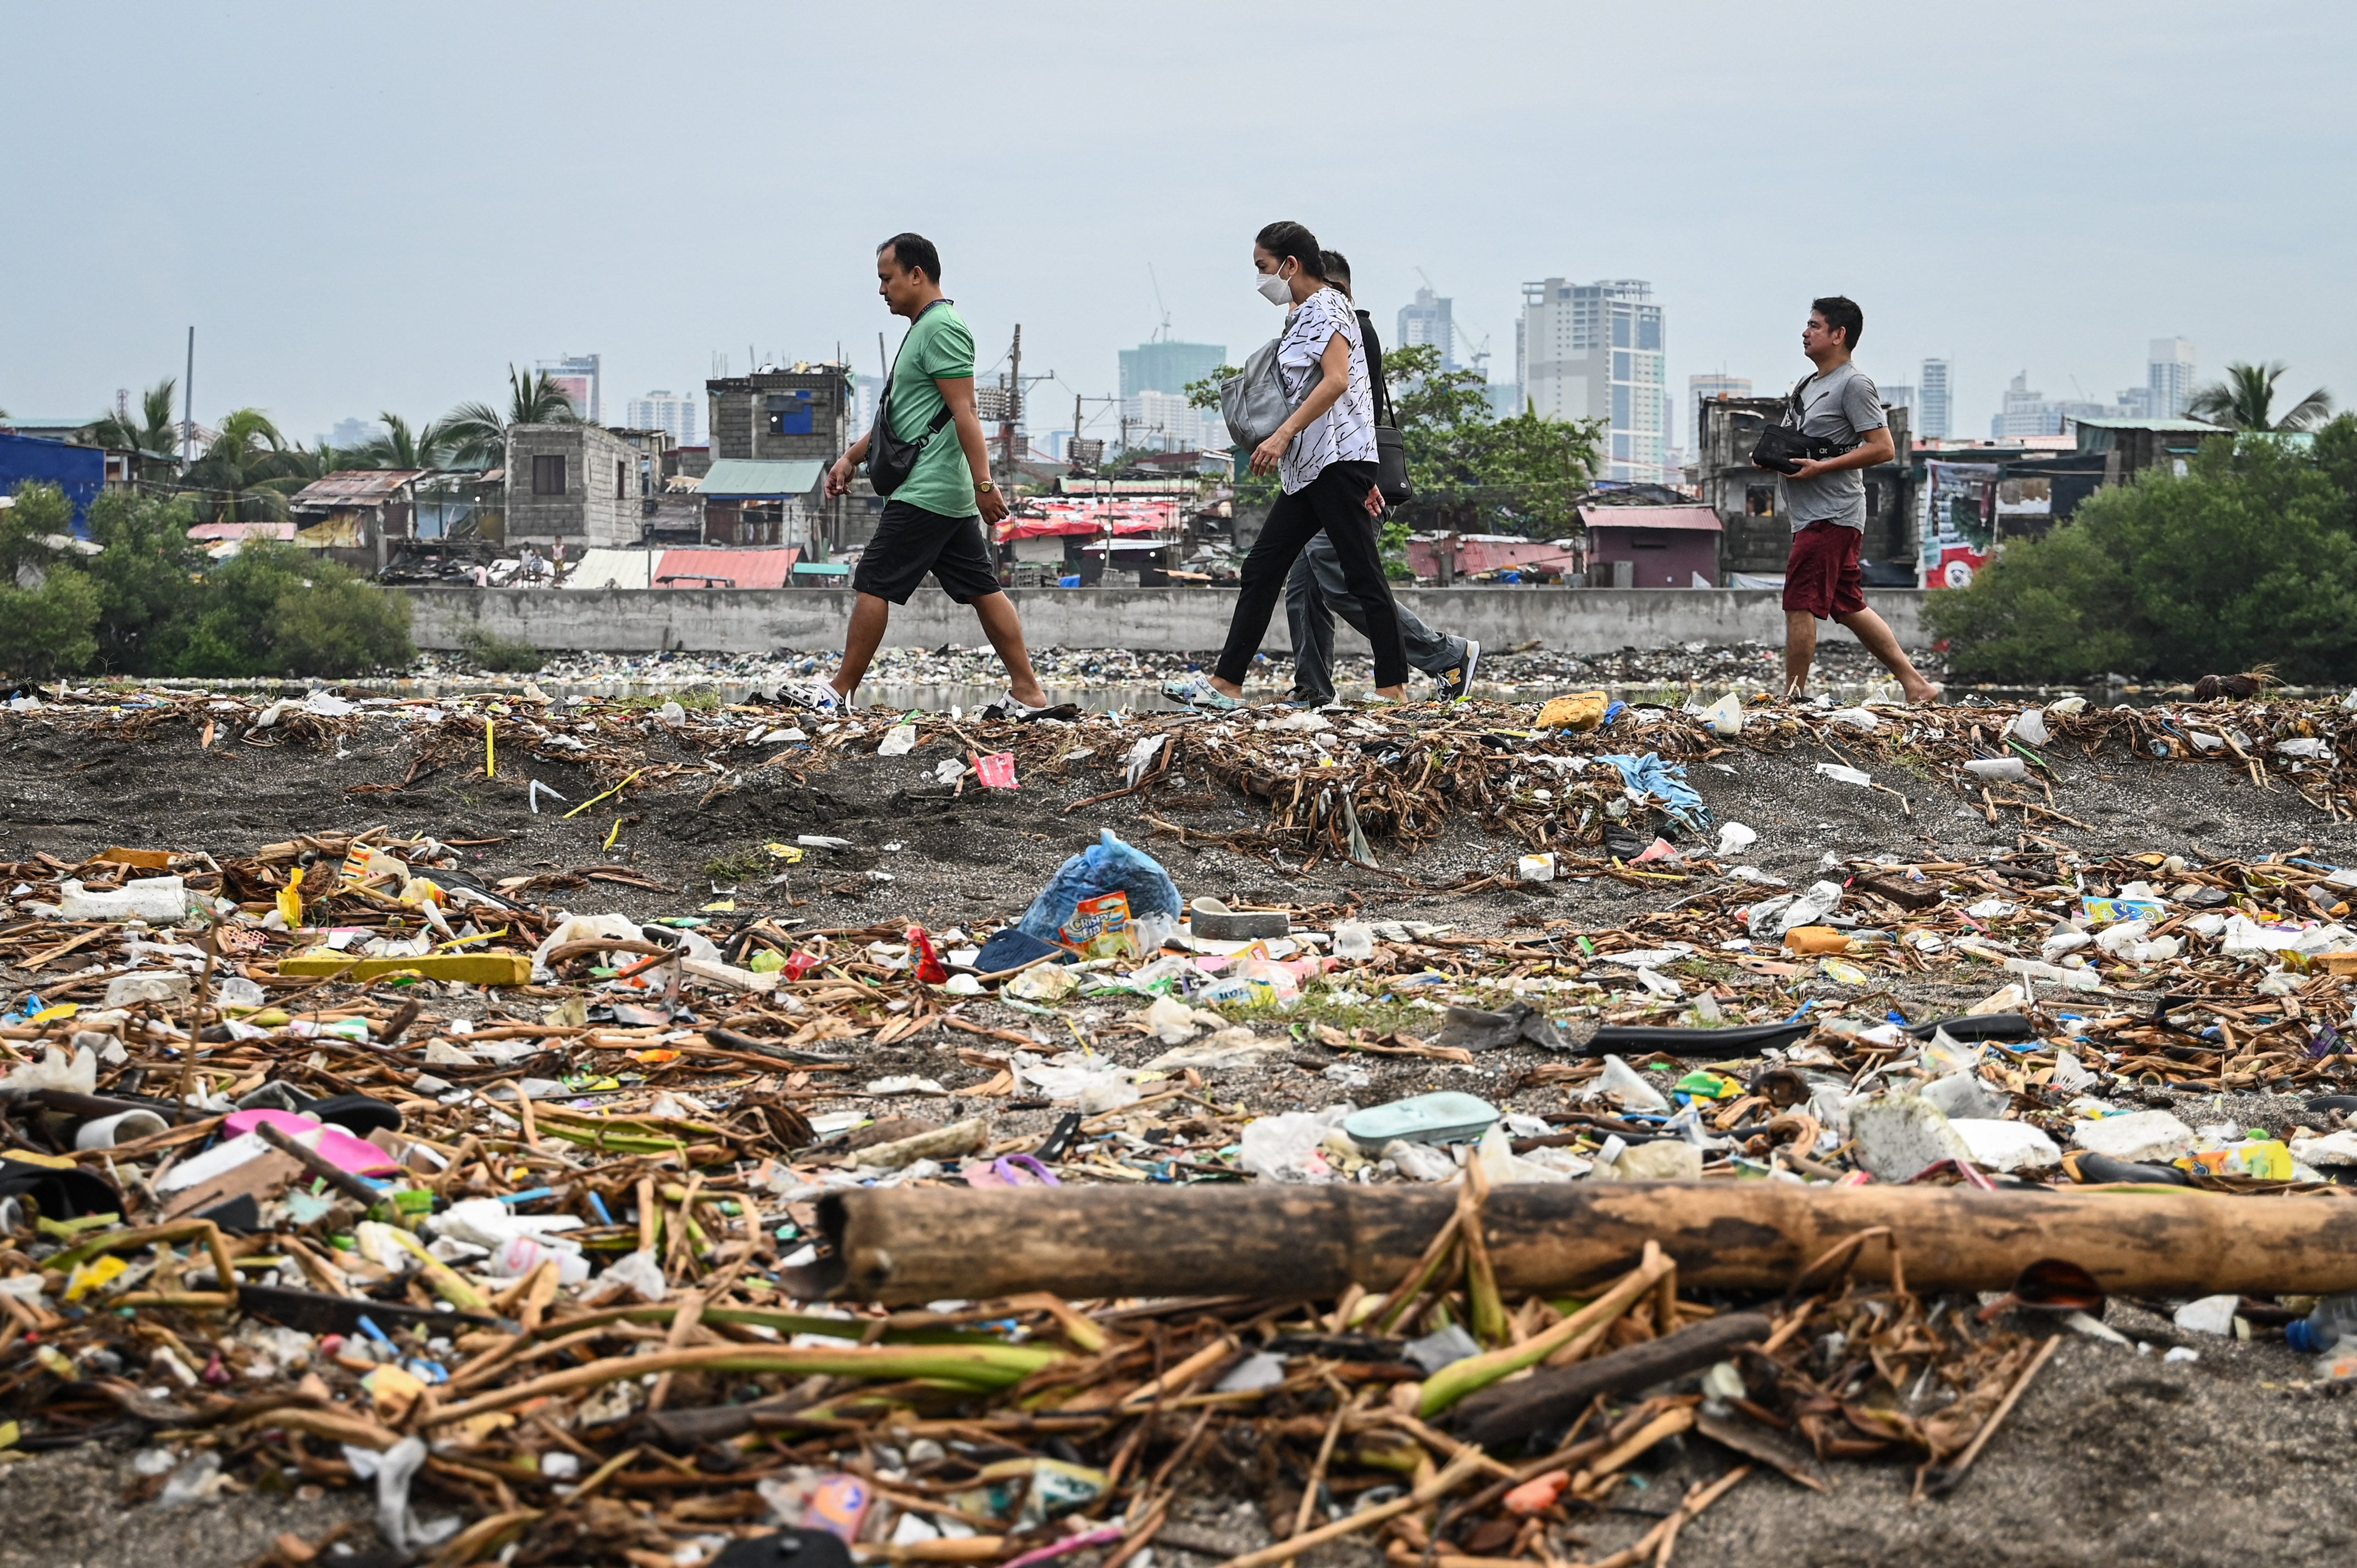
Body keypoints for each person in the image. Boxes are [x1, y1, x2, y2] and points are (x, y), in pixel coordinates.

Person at [791, 233, 1049, 718]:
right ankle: (1028, 693)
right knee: (981, 587)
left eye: (887, 279)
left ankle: (838, 691)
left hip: (926, 490)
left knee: (873, 579)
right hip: (938, 490)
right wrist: (850, 458)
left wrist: (985, 484)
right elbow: (903, 420)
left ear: (917, 274)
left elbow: (965, 411)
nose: (882, 290)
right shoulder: (924, 328)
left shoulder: (943, 328)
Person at [1163, 222, 1409, 711]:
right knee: (1261, 568)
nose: (1261, 279)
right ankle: (1226, 685)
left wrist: (1281, 434)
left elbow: (1337, 382)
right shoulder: (1304, 315)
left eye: (1263, 267)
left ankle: (1392, 689)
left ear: (1289, 265)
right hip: (1312, 467)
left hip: (1336, 461)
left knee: (1362, 574)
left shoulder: (1328, 307)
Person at [1284, 251, 1479, 705]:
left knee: (1338, 577)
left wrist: (1362, 476)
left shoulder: (1351, 328)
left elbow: (1356, 411)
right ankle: (1312, 690)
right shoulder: (1319, 329)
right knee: (1303, 587)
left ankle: (1445, 655)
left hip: (1351, 479)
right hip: (1322, 478)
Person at [1764, 296, 1940, 704]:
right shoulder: (1807, 385)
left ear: (1838, 335)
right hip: (1808, 513)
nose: (1805, 333)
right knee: (1846, 605)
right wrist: (1773, 458)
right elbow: (1803, 442)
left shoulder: (1853, 384)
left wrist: (1821, 469)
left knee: (1798, 601)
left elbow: (1882, 448)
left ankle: (1792, 697)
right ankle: (1917, 686)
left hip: (1833, 514)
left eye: (1814, 325)